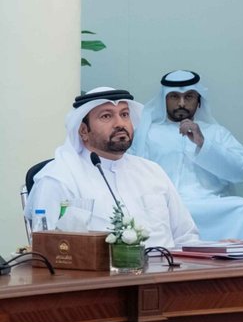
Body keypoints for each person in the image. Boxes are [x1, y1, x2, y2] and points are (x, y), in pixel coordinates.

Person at [27, 86, 200, 249]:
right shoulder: (59, 178)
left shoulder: (152, 171)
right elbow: (48, 249)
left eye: (124, 114)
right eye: (106, 116)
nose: (120, 123)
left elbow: (186, 237)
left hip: (167, 268)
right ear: (83, 131)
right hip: (98, 271)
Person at [130, 70, 243, 241]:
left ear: (199, 100)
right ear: (164, 100)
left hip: (210, 205)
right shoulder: (147, 133)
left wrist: (203, 144)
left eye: (189, 97)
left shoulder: (216, 133)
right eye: (174, 96)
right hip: (165, 205)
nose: (181, 103)